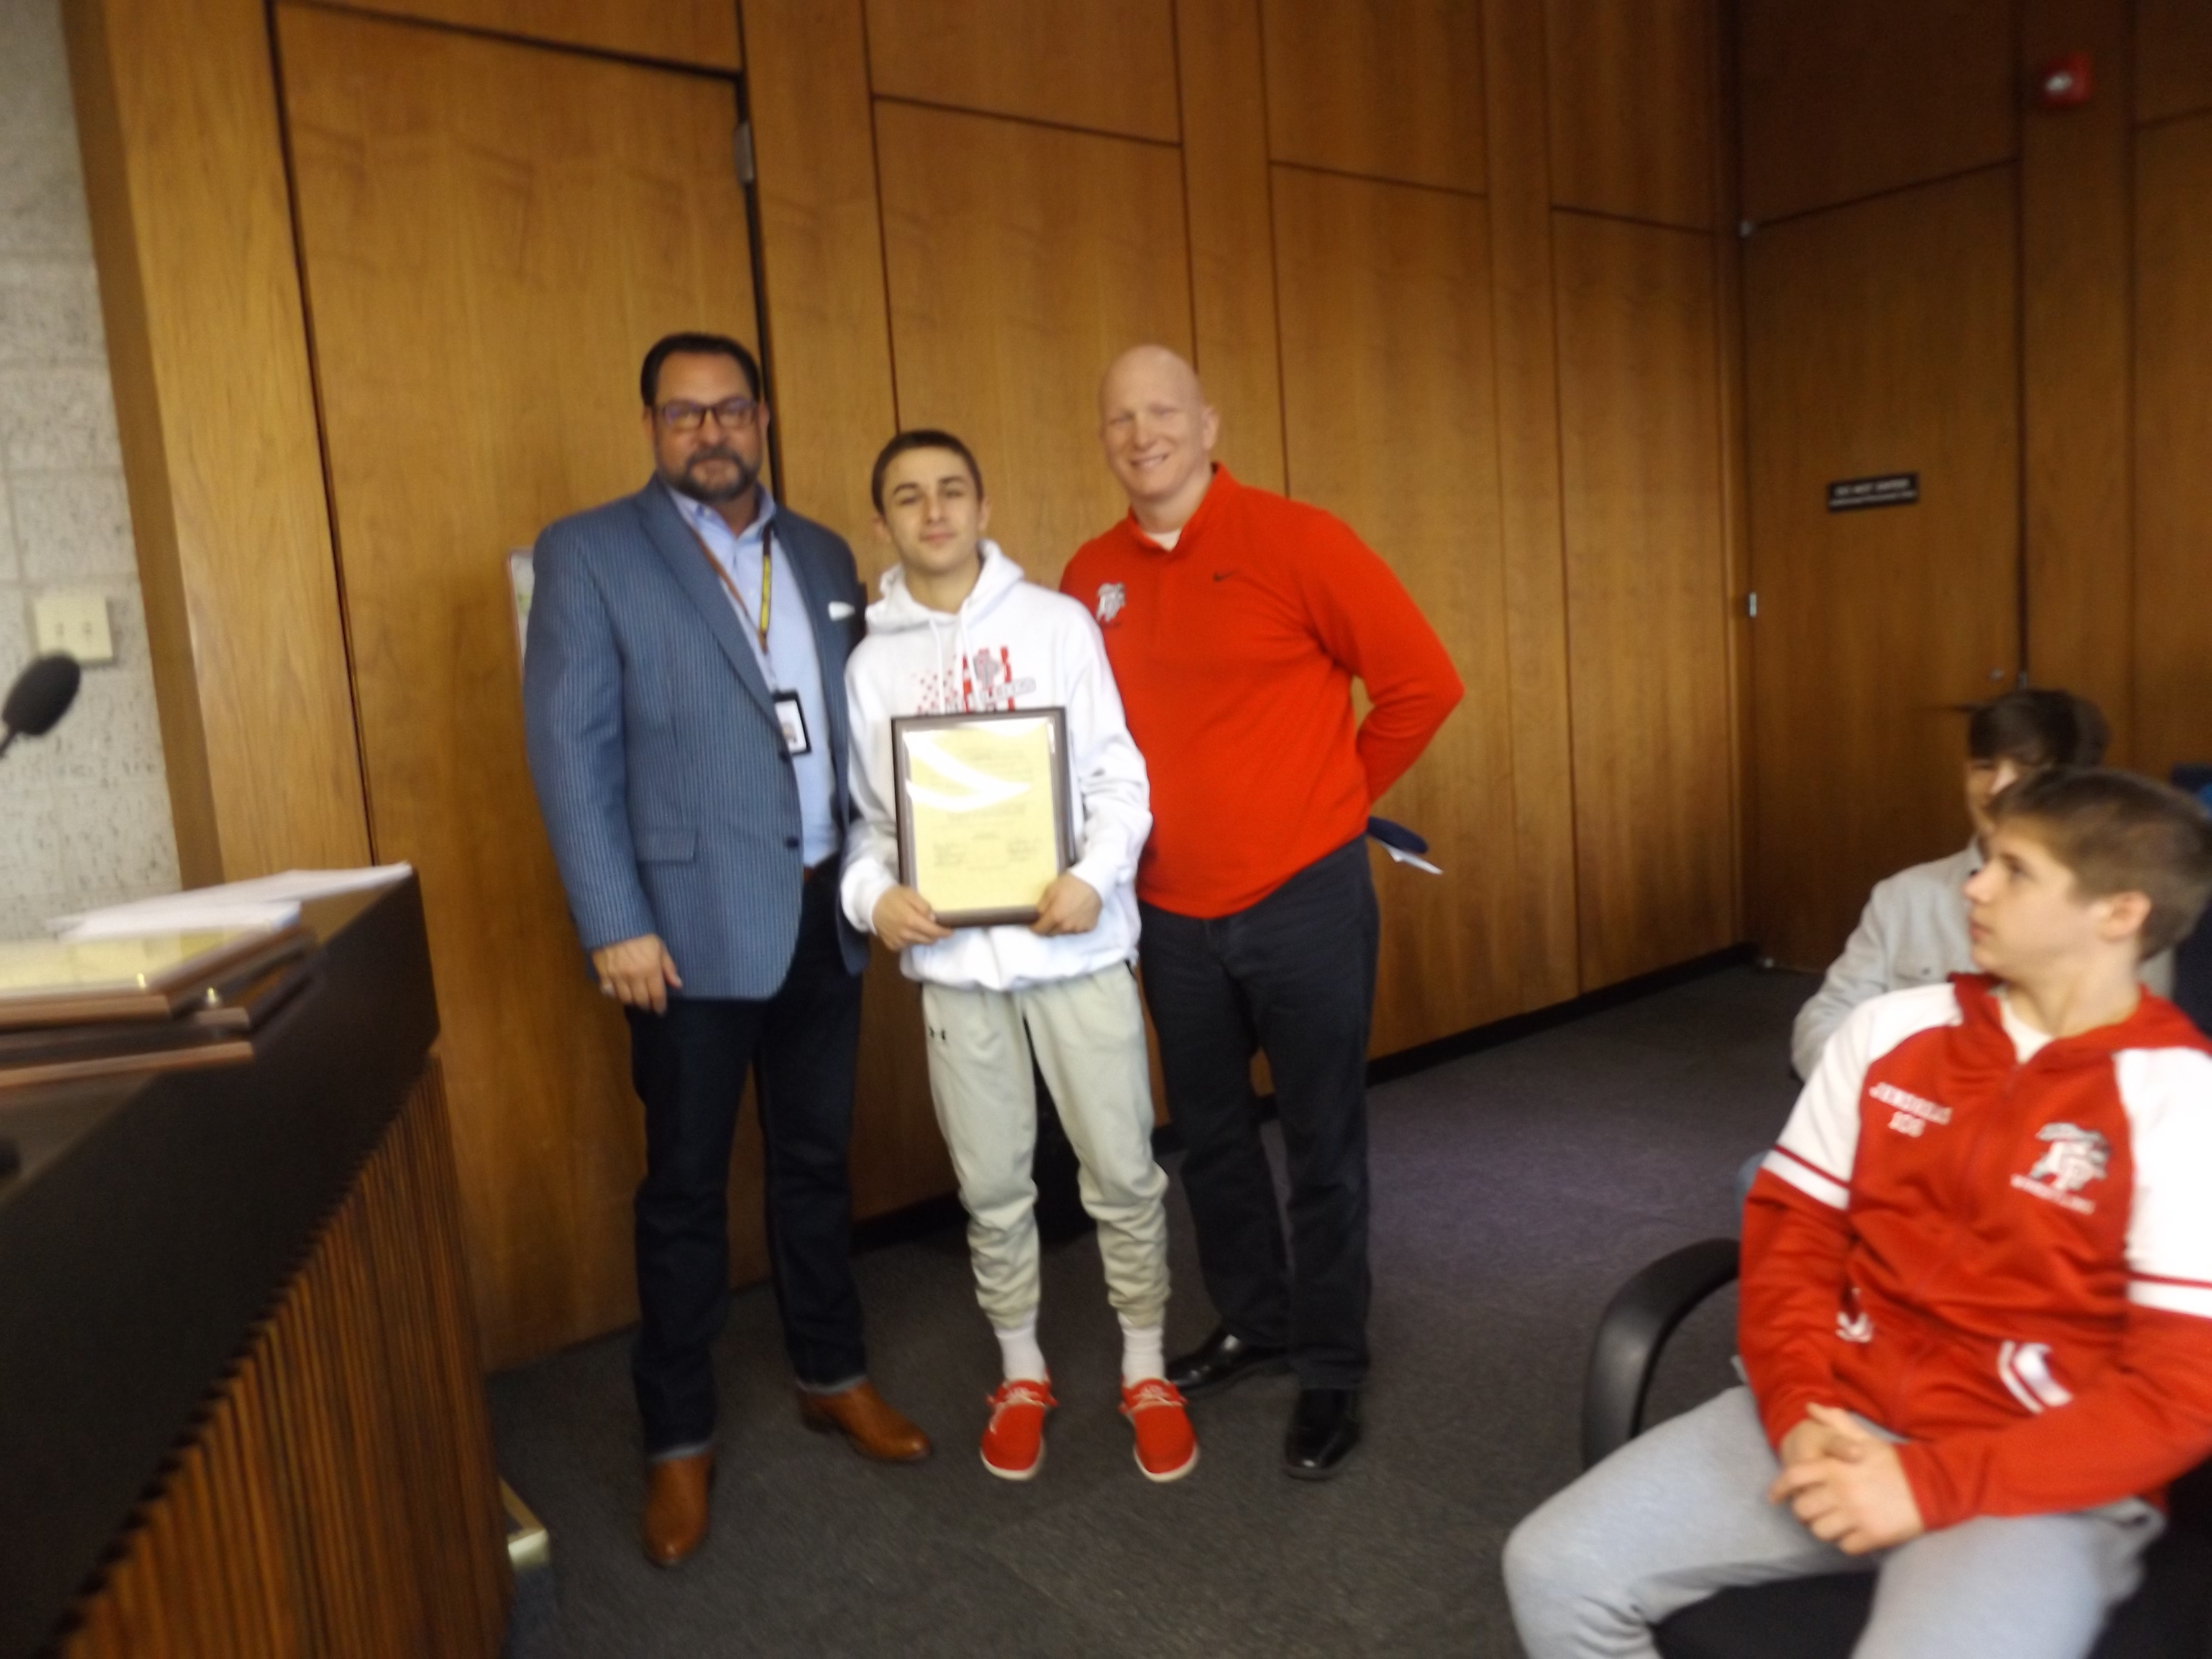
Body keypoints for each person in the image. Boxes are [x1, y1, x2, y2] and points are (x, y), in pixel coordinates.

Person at [1504, 767, 2212, 1659]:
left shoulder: (2179, 1101)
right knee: (1555, 1569)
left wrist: (1927, 1483)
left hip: (2034, 1470)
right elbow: (1791, 1239)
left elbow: (2181, 1390)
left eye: (2015, 871)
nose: (1974, 887)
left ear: (2119, 913)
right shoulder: (1889, 1032)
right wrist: (1797, 1406)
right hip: (1837, 1415)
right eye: (1986, 861)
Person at [523, 332, 929, 1570]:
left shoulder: (822, 553)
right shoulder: (590, 552)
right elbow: (568, 748)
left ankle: (831, 1371)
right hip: (682, 933)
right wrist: (613, 920)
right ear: (651, 426)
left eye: (731, 409)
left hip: (823, 914)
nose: (710, 431)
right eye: (683, 413)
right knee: (686, 1189)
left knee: (814, 1164)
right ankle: (678, 1436)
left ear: (762, 418)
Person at [1061, 345, 1463, 1478]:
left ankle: (1332, 1362)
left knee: (1325, 1141)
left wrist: (1330, 799)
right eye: (1120, 418)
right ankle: (1257, 1319)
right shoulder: (1089, 574)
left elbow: (1423, 684)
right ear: (1104, 439)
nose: (1143, 434)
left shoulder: (1300, 540)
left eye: (1164, 412)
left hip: (1303, 900)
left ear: (1208, 424)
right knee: (1212, 1141)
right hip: (1168, 913)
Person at [841, 430, 1196, 1483]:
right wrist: (874, 898)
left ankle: (1145, 1365)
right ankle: (1021, 1367)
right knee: (993, 1185)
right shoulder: (871, 666)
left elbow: (1119, 780)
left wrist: (1092, 875)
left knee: (1122, 1171)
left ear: (984, 508)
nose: (934, 511)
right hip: (958, 973)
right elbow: (871, 828)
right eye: (910, 496)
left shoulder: (1056, 625)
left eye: (952, 490)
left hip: (1074, 950)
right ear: (883, 523)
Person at [1790, 688, 2171, 1082]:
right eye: (1984, 766)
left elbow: (2135, 1053)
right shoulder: (1904, 896)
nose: (1996, 788)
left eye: (2026, 769)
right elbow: (1828, 1015)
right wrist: (1873, 1091)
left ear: (2073, 788)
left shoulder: (2115, 910)